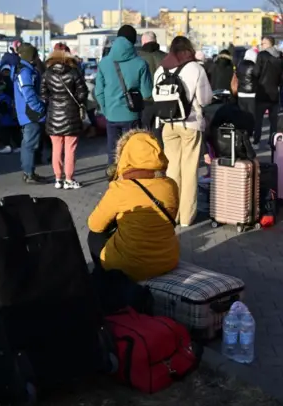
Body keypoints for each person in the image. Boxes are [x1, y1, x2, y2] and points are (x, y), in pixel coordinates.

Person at [87, 130, 180, 282]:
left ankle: (105, 277)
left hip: (129, 267)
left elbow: (94, 224)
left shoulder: (121, 188)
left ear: (126, 156)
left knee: (94, 235)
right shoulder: (170, 184)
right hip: (168, 260)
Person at [153, 36, 212, 227]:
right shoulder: (196, 69)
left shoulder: (161, 69)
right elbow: (205, 99)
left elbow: (155, 95)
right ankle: (186, 217)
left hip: (167, 124)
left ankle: (171, 213)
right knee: (189, 171)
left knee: (172, 169)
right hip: (190, 124)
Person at [95, 25, 153, 164]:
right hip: (131, 115)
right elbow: (147, 92)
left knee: (113, 152)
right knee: (131, 152)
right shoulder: (140, 63)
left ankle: (114, 181)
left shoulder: (104, 63)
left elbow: (98, 91)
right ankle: (129, 183)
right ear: (133, 42)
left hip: (111, 115)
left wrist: (106, 110)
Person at [40, 45, 88, 190]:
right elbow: (82, 93)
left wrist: (54, 100)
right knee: (70, 149)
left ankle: (57, 179)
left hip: (54, 115)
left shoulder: (47, 73)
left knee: (56, 149)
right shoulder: (74, 72)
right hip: (71, 115)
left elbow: (43, 95)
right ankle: (69, 179)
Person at [13, 43, 47, 184]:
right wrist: (39, 108)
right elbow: (28, 93)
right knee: (30, 144)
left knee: (28, 143)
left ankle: (29, 172)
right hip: (30, 113)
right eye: (34, 54)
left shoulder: (24, 69)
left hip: (27, 112)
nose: (36, 57)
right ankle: (29, 174)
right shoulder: (25, 72)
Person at [253, 36, 283, 147]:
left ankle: (257, 140)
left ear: (269, 44)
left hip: (262, 91)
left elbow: (256, 72)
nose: (262, 45)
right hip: (274, 92)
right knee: (273, 120)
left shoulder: (262, 55)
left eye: (263, 43)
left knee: (259, 119)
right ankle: (272, 140)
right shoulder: (280, 56)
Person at [0, 65, 21, 154]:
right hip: (13, 107)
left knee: (6, 128)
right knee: (14, 128)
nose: (5, 74)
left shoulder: (3, 83)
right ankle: (17, 145)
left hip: (6, 106)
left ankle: (8, 145)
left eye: (7, 72)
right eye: (4, 72)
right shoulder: (14, 81)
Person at [236, 48, 258, 136]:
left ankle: (242, 130)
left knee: (242, 113)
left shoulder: (240, 64)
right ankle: (250, 131)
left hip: (241, 92)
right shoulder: (254, 66)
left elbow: (237, 76)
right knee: (252, 114)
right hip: (252, 94)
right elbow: (258, 77)